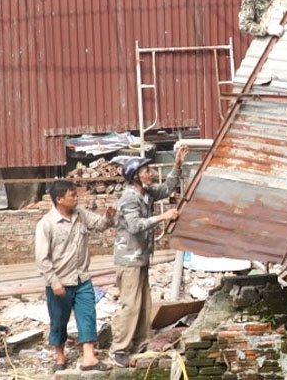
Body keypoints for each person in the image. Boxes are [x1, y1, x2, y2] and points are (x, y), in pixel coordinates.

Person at [110, 145, 189, 368]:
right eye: (146, 171)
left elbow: (166, 189)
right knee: (131, 305)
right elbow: (135, 226)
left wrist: (177, 165)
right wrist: (162, 216)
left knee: (144, 303)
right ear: (135, 176)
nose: (150, 174)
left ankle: (142, 341)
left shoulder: (146, 192)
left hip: (142, 256)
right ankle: (119, 349)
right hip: (129, 259)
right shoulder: (129, 197)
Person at [35, 179, 115, 373]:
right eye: (72, 195)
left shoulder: (80, 214)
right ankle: (60, 357)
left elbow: (99, 225)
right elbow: (41, 258)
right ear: (59, 199)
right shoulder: (46, 224)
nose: (76, 198)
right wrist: (54, 281)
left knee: (87, 315)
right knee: (59, 321)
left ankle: (89, 357)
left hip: (81, 279)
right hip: (60, 281)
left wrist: (109, 217)